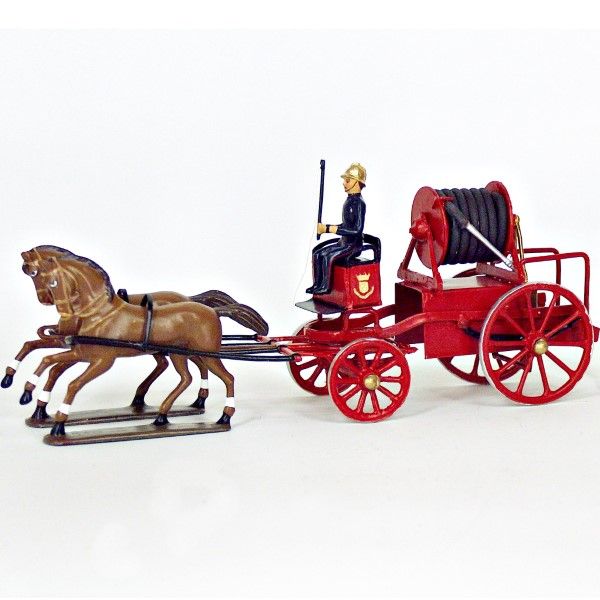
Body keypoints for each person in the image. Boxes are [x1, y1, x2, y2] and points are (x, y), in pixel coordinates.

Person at [306, 162, 367, 295]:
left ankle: (325, 287)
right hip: (344, 243)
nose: (344, 183)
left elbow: (357, 230)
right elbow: (345, 226)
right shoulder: (349, 201)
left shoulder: (359, 204)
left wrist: (329, 229)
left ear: (357, 182)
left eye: (347, 181)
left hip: (353, 246)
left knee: (328, 256)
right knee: (318, 254)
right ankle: (317, 284)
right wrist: (327, 228)